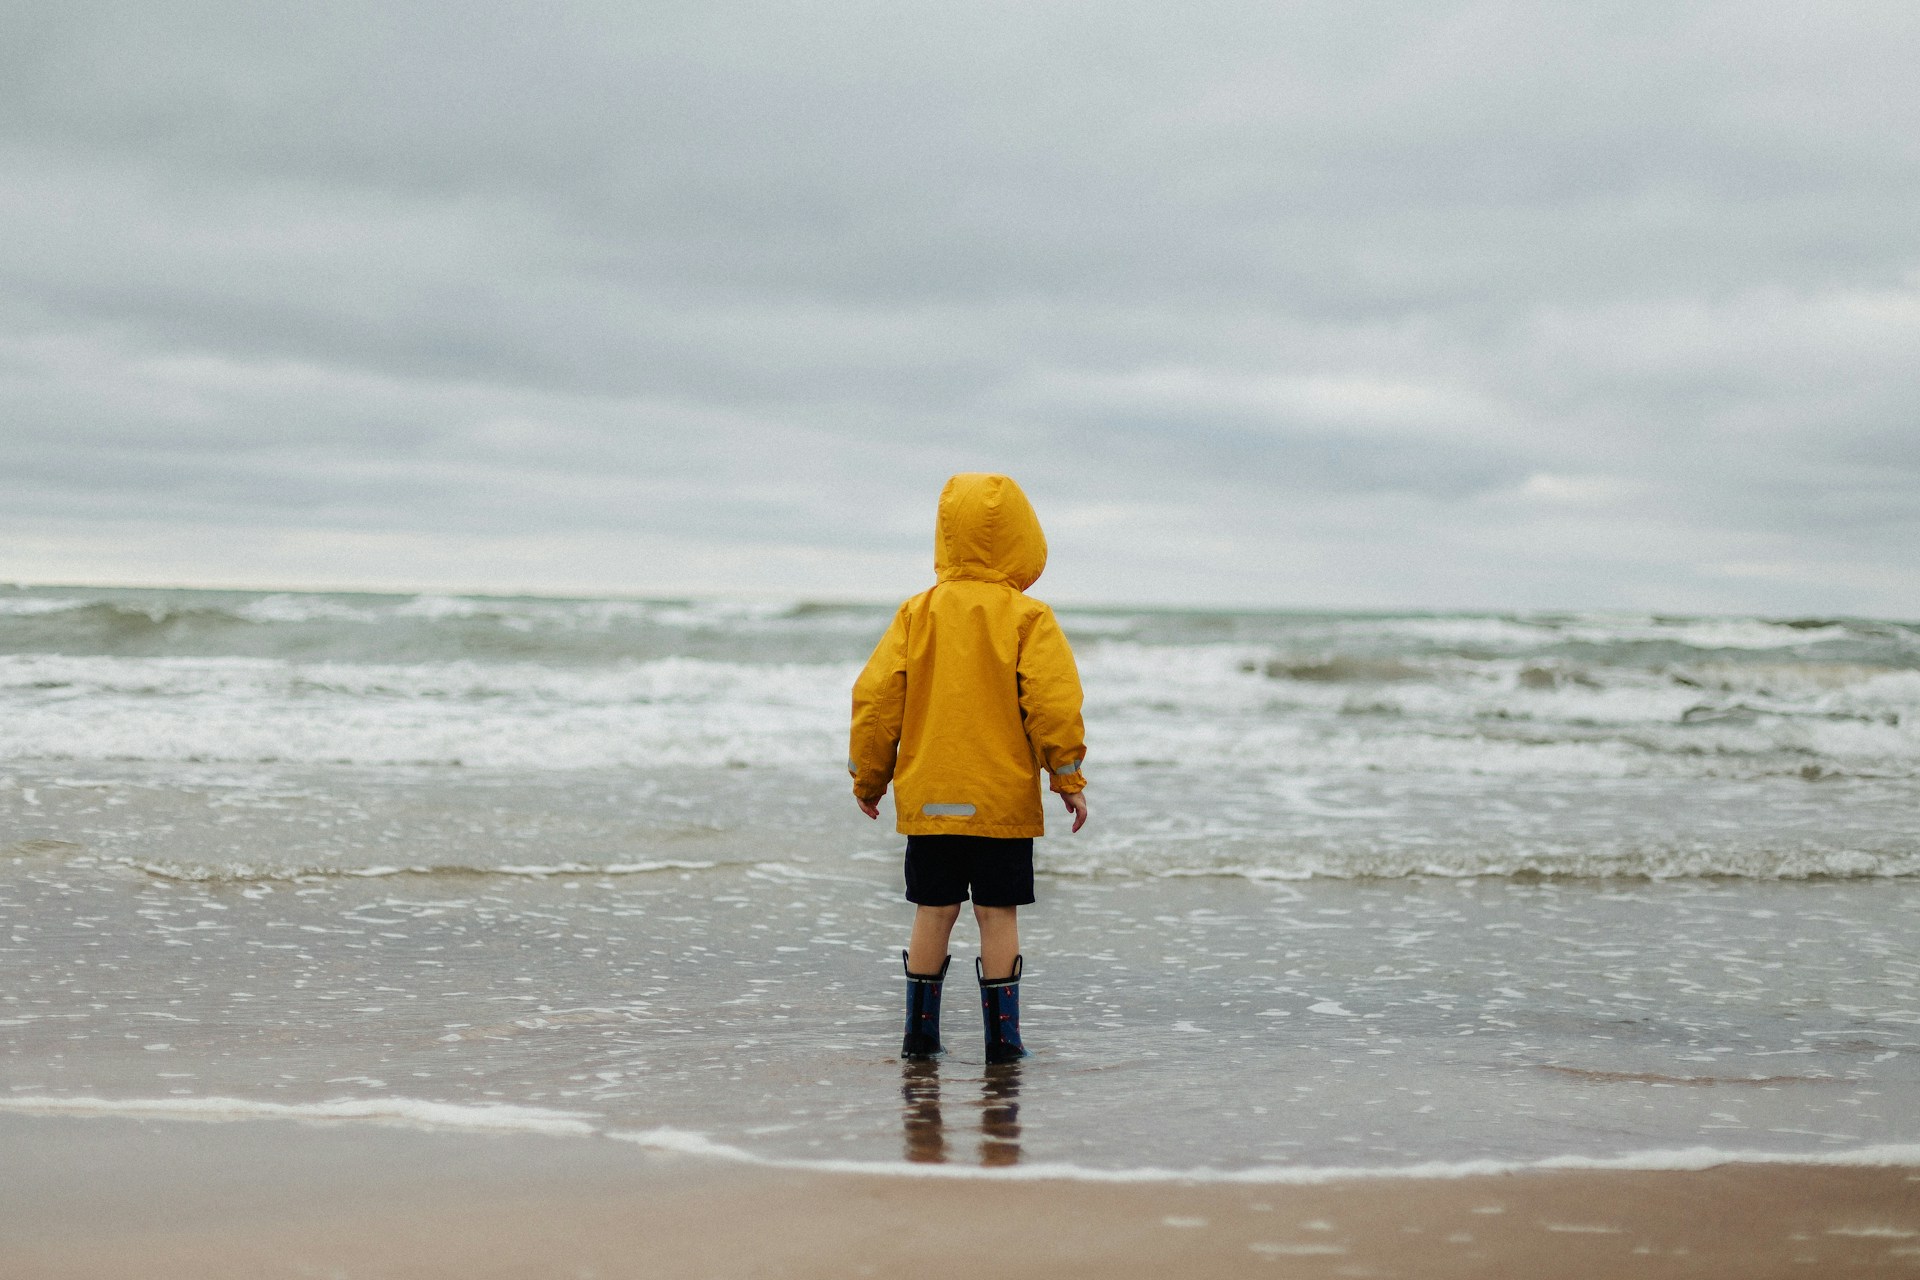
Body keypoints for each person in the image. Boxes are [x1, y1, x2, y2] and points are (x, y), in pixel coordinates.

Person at [848, 473, 1088, 1063]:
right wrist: (1067, 778)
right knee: (995, 912)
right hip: (1000, 800)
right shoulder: (1028, 616)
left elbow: (878, 700)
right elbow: (1053, 703)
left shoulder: (917, 613)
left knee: (935, 908)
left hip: (931, 799)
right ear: (1021, 539)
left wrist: (869, 777)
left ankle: (919, 1036)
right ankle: (1003, 1041)